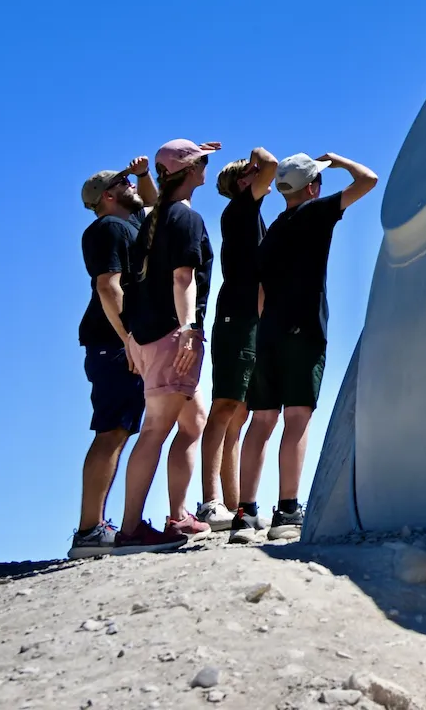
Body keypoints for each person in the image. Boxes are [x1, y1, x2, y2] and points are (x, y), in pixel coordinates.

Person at [238, 151, 377, 542]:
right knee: (297, 418)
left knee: (261, 421)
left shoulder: (272, 232)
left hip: (268, 333)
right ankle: (286, 511)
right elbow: (368, 180)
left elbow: (261, 293)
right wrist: (339, 161)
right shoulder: (315, 213)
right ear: (313, 187)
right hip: (304, 331)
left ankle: (245, 515)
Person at [113, 137, 222, 552]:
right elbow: (183, 278)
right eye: (202, 163)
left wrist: (131, 338)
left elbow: (135, 285)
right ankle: (130, 531)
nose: (207, 169)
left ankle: (178, 517)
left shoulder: (154, 219)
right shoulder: (185, 218)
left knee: (193, 421)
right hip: (172, 337)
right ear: (191, 172)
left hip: (148, 337)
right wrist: (189, 329)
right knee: (156, 429)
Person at [70, 157, 156, 557]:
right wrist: (130, 340)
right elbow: (108, 286)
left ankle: (96, 528)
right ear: (107, 196)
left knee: (118, 430)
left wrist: (144, 175)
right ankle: (90, 531)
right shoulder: (109, 228)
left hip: (119, 343)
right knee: (111, 431)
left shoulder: (128, 224)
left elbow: (154, 205)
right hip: (115, 344)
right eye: (123, 182)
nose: (131, 184)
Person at [193, 146, 277, 532]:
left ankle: (236, 504)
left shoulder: (249, 213)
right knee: (225, 405)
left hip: (252, 321)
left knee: (240, 413)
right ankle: (211, 502)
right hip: (237, 319)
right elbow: (271, 164)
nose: (261, 175)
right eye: (252, 172)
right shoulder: (241, 208)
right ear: (243, 182)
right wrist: (256, 157)